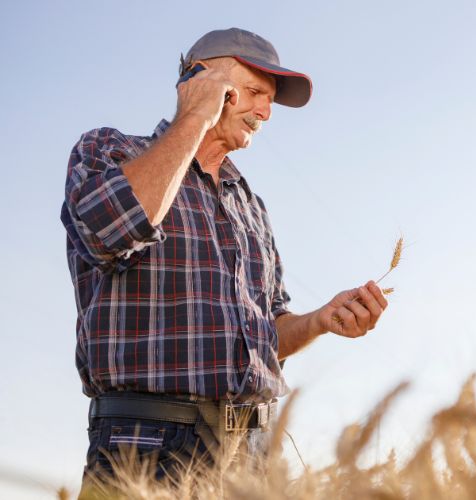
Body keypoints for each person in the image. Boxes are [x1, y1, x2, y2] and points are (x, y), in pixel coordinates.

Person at [60, 27, 388, 487]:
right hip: (148, 445)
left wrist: (320, 320)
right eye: (254, 92)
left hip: (250, 454)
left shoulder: (250, 206)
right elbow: (110, 229)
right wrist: (195, 115)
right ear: (201, 81)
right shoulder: (110, 150)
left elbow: (266, 332)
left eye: (270, 100)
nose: (265, 112)